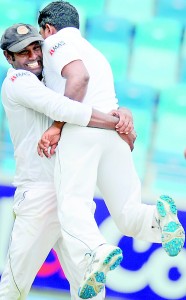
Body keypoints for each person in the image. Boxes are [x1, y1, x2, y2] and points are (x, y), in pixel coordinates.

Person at [37, 1, 185, 299]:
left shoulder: (55, 42)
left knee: (72, 206)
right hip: (114, 132)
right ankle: (158, 219)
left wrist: (57, 125)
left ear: (48, 28)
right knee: (128, 214)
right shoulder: (96, 52)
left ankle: (97, 249)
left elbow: (79, 78)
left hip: (82, 131)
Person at [0, 23, 136, 300]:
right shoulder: (17, 81)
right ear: (8, 58)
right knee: (13, 286)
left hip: (69, 190)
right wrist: (117, 123)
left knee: (89, 287)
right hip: (39, 193)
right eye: (23, 52)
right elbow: (64, 109)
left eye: (36, 47)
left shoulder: (49, 77)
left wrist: (121, 112)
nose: (33, 56)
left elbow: (90, 94)